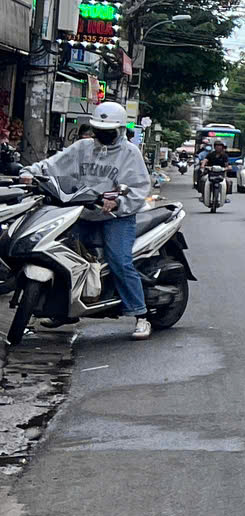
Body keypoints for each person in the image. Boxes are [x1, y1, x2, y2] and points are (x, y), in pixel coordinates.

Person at [31, 99, 152, 337]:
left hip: (117, 216)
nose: (102, 135)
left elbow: (139, 188)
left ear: (119, 130)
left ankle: (140, 314)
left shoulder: (130, 153)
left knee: (119, 260)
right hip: (82, 213)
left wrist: (118, 202)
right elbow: (53, 165)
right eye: (99, 130)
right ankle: (63, 311)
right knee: (59, 256)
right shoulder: (82, 148)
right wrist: (30, 173)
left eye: (108, 131)